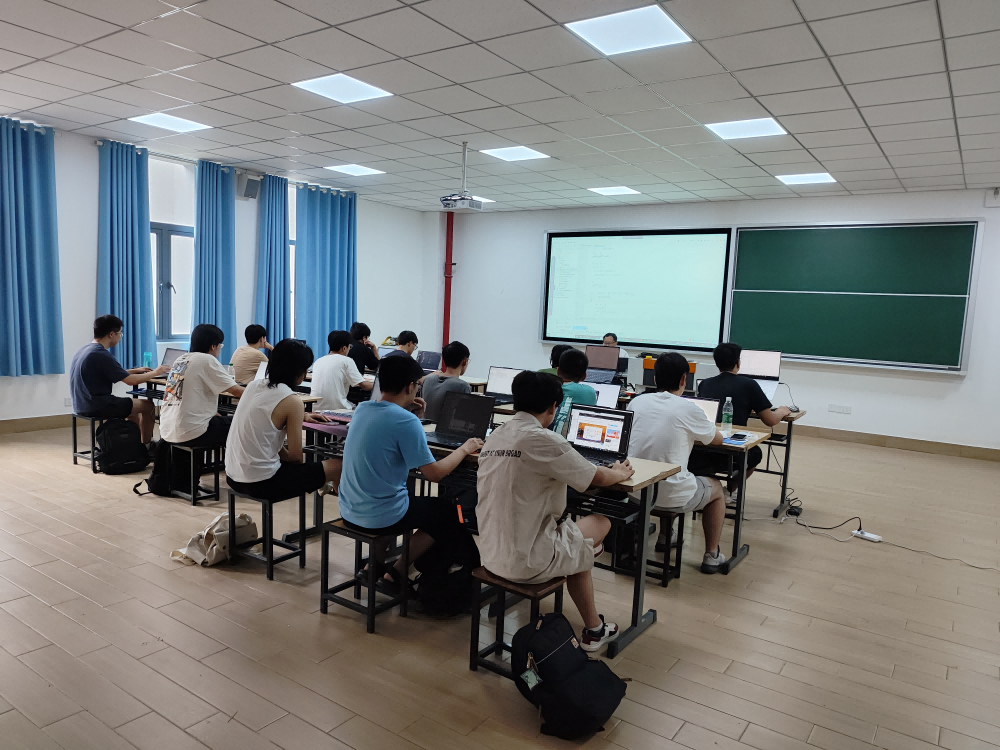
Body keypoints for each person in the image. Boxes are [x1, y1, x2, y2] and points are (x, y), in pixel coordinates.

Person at [476, 370, 634, 652]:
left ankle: (595, 625)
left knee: (577, 542)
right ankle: (594, 630)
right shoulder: (546, 440)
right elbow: (596, 478)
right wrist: (620, 473)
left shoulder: (497, 434)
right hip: (527, 562)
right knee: (600, 524)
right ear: (553, 407)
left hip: (490, 553)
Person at [338, 356, 481, 590]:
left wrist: (413, 418)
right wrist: (465, 448)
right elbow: (434, 474)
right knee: (445, 512)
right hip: (380, 515)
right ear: (410, 386)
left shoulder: (362, 409)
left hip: (349, 509)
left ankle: (372, 567)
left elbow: (390, 439)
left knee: (400, 500)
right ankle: (395, 574)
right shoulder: (404, 420)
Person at [627, 352, 729, 573]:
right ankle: (712, 555)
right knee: (716, 488)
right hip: (671, 495)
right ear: (684, 379)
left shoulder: (636, 401)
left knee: (671, 473)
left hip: (635, 491)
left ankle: (666, 536)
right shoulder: (689, 408)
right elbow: (717, 440)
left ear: (654, 378)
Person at [226, 339, 340, 500]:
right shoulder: (292, 401)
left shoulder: (253, 386)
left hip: (233, 477)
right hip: (264, 483)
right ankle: (347, 511)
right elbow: (296, 458)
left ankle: (322, 484)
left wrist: (300, 416)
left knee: (305, 467)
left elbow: (265, 422)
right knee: (338, 466)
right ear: (299, 371)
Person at [691, 342, 791, 490]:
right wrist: (782, 411)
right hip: (733, 452)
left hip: (703, 450)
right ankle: (730, 490)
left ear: (717, 363)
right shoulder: (749, 385)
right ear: (738, 363)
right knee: (755, 454)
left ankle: (710, 489)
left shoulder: (704, 384)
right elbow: (770, 420)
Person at [69, 315, 169, 447]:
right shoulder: (101, 354)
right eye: (120, 334)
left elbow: (112, 373)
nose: (120, 337)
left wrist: (135, 370)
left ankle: (134, 445)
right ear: (111, 334)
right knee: (148, 406)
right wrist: (156, 372)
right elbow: (130, 381)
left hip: (81, 404)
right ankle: (147, 445)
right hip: (98, 405)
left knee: (131, 409)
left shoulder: (85, 349)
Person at [159, 324, 243, 449]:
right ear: (213, 346)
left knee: (221, 419)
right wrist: (260, 392)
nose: (220, 350)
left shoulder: (180, 359)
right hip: (192, 433)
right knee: (242, 422)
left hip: (167, 431)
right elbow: (236, 391)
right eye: (220, 346)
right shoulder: (207, 359)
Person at [312, 330, 372, 411]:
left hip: (315, 409)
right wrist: (380, 385)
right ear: (344, 348)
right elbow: (364, 386)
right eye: (349, 347)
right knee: (362, 409)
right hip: (337, 410)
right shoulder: (347, 361)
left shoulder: (318, 361)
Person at [421, 340, 471, 422]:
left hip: (426, 427)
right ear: (465, 361)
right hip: (446, 429)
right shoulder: (462, 386)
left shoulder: (428, 380)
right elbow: (465, 417)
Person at [551, 348, 596, 435]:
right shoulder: (589, 392)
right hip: (573, 441)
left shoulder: (546, 386)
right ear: (584, 376)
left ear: (558, 371)